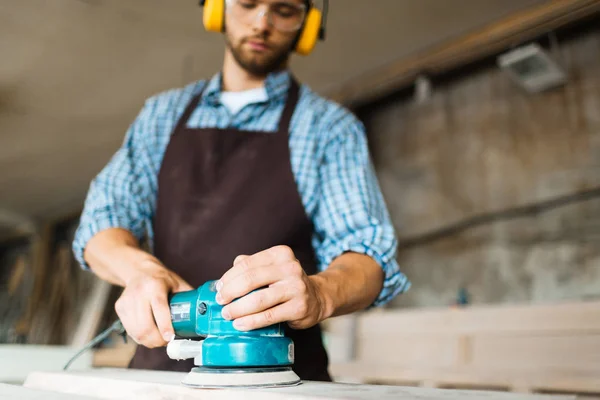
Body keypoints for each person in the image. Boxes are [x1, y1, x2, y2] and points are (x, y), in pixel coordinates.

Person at [72, 0, 410, 382]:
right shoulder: (161, 116)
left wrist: (320, 292)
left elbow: (368, 258)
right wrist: (143, 272)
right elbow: (100, 227)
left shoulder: (329, 128)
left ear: (309, 24)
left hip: (283, 380)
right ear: (217, 8)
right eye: (248, 3)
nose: (262, 23)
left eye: (284, 9)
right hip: (165, 373)